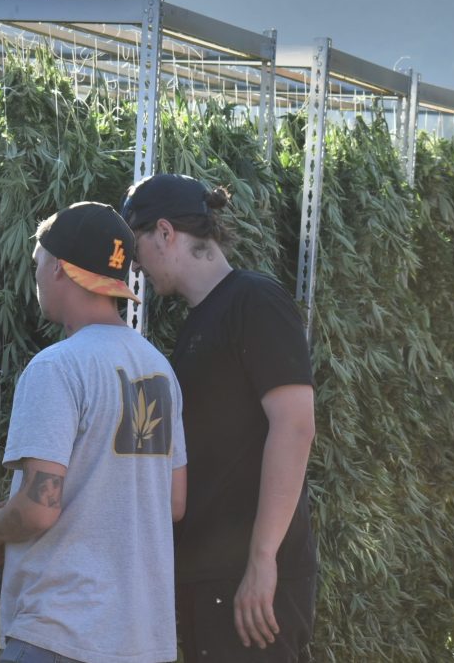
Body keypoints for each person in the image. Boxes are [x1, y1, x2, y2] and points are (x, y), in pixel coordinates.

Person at [0, 201, 188, 663]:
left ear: (59, 270)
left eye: (38, 264)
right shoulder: (158, 370)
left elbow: (38, 507)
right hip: (142, 640)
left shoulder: (56, 367)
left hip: (60, 634)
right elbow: (174, 502)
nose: (35, 276)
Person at [121, 174, 318, 663]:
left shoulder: (254, 301)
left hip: (250, 580)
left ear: (165, 232)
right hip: (210, 576)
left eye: (136, 245)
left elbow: (294, 427)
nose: (135, 267)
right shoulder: (198, 321)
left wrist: (262, 559)